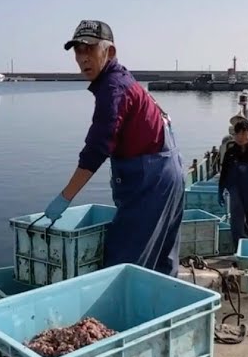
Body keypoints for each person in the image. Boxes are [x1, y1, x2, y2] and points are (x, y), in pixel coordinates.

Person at [42, 20, 185, 276]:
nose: (82, 58)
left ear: (110, 52)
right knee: (162, 263)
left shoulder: (112, 88)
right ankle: (165, 313)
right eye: (78, 50)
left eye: (90, 49)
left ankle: (125, 316)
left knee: (124, 266)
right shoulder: (122, 79)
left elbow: (97, 149)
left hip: (151, 181)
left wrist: (65, 197)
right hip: (167, 174)